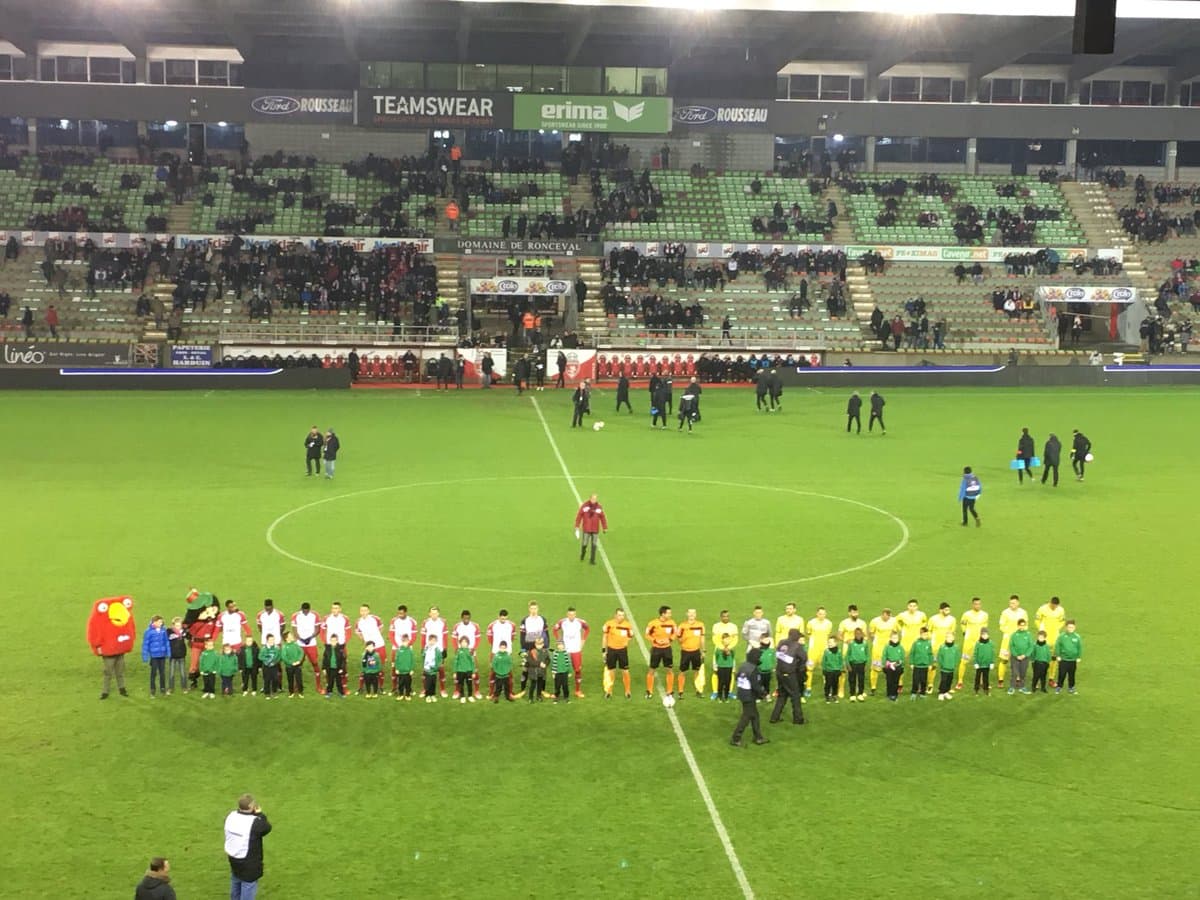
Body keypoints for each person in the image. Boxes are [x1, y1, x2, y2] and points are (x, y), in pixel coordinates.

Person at [224, 793, 271, 900]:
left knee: (236, 881)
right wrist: (259, 814)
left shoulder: (230, 816)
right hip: (249, 861)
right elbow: (266, 828)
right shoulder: (254, 823)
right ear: (250, 807)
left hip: (233, 858)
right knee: (248, 885)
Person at [730, 647, 769, 747]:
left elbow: (737, 677)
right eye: (759, 657)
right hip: (749, 696)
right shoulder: (754, 670)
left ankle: (758, 737)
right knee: (746, 717)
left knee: (755, 715)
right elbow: (756, 686)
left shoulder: (743, 665)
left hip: (742, 693)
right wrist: (764, 694)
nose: (760, 659)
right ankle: (736, 738)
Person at [769, 628, 806, 724]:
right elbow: (804, 658)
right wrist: (800, 669)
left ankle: (774, 717)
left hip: (779, 672)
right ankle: (798, 719)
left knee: (782, 694)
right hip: (789, 674)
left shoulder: (781, 642)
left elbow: (778, 655)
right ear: (796, 636)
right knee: (795, 696)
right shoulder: (797, 646)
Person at [554, 607, 590, 698]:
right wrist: (559, 641)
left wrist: (583, 640)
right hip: (565, 650)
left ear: (575, 614)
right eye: (570, 614)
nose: (571, 616)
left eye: (573, 614)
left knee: (577, 670)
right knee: (562, 670)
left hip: (576, 649)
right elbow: (554, 630)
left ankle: (578, 690)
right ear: (567, 615)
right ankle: (559, 691)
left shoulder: (580, 622)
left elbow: (587, 629)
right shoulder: (562, 622)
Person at [645, 605, 678, 699]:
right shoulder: (653, 623)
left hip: (667, 649)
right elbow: (647, 634)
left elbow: (675, 633)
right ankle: (649, 691)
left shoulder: (672, 623)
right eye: (669, 613)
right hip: (656, 649)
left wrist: (670, 640)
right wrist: (655, 641)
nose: (670, 615)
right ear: (663, 614)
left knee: (669, 669)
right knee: (652, 669)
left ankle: (670, 691)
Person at [601, 607, 634, 700]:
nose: (621, 617)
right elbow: (604, 637)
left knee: (625, 671)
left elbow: (631, 636)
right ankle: (609, 691)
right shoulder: (609, 624)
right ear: (615, 615)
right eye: (619, 615)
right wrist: (604, 650)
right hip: (611, 650)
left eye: (623, 615)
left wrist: (625, 642)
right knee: (611, 671)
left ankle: (627, 690)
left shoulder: (627, 625)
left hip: (622, 651)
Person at [956, 597, 989, 691]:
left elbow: (985, 626)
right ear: (972, 604)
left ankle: (982, 681)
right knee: (964, 660)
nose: (977, 606)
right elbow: (962, 624)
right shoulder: (967, 614)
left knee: (982, 661)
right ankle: (960, 681)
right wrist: (964, 632)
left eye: (979, 604)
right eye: (975, 604)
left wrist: (984, 636)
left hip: (980, 642)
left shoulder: (985, 615)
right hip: (969, 641)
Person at [996, 595, 1028, 688]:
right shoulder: (1005, 612)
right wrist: (1009, 633)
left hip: (1019, 640)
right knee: (1004, 659)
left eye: (1013, 603)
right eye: (1010, 603)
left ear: (1018, 603)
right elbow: (1001, 625)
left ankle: (1018, 679)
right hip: (1007, 640)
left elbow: (1025, 626)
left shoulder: (1023, 613)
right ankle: (1000, 679)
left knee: (1018, 660)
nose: (1011, 605)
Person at [1036, 596, 1067, 687]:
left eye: (1055, 606)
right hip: (1044, 636)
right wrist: (1041, 629)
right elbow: (1037, 620)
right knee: (1041, 658)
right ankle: (1038, 679)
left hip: (1055, 637)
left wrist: (1057, 628)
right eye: (1053, 606)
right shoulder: (1042, 609)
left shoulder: (1061, 610)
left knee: (1054, 658)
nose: (1054, 607)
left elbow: (1062, 621)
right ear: (1050, 603)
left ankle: (1051, 678)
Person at [290, 602, 323, 687]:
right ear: (301, 609)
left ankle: (318, 685)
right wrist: (300, 639)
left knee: (315, 663)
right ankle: (296, 685)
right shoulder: (295, 616)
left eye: (307, 611)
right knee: (298, 664)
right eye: (304, 610)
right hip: (300, 644)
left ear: (309, 609)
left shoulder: (315, 615)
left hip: (311, 643)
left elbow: (317, 629)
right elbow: (294, 629)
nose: (305, 612)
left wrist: (310, 637)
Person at [868, 608, 898, 695]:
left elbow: (894, 632)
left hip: (889, 648)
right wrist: (875, 642)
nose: (886, 618)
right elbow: (871, 633)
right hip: (878, 648)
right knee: (876, 667)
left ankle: (892, 686)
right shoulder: (874, 621)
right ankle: (873, 687)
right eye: (885, 616)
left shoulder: (893, 621)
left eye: (888, 616)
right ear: (882, 614)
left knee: (891, 667)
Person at [804, 607, 833, 697]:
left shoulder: (828, 623)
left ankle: (827, 686)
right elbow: (808, 633)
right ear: (817, 614)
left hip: (824, 649)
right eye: (820, 614)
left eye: (823, 614)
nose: (822, 616)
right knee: (809, 668)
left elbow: (828, 634)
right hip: (813, 649)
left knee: (825, 668)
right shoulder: (811, 623)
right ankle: (808, 688)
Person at [710, 609, 739, 697]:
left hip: (731, 651)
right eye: (724, 616)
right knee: (716, 671)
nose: (726, 618)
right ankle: (715, 691)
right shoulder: (716, 626)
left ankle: (729, 691)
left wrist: (729, 648)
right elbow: (715, 639)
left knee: (731, 671)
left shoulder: (733, 626)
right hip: (719, 650)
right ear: (721, 617)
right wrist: (723, 648)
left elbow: (735, 639)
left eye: (727, 616)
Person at [574, 493, 608, 565]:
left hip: (595, 529)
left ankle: (592, 560)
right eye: (593, 499)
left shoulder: (599, 507)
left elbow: (602, 517)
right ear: (590, 498)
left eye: (595, 499)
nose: (594, 500)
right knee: (585, 543)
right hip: (587, 528)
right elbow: (579, 515)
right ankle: (583, 554)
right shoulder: (585, 506)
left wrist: (604, 527)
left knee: (594, 544)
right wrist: (577, 525)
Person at [141, 615, 170, 698]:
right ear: (154, 622)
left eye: (162, 622)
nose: (161, 623)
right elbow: (145, 644)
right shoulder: (149, 631)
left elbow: (166, 642)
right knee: (153, 673)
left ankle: (163, 689)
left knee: (162, 673)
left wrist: (168, 652)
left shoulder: (163, 630)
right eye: (160, 622)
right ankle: (152, 690)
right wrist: (145, 656)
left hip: (162, 655)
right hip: (154, 656)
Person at [1054, 620, 1082, 694]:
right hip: (1063, 659)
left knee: (1072, 675)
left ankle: (1071, 687)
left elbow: (1079, 647)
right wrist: (1058, 655)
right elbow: (1057, 646)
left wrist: (1079, 657)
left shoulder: (1077, 637)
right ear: (1066, 627)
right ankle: (1059, 687)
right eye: (1069, 627)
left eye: (1072, 627)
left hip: (1073, 660)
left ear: (1075, 627)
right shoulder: (1062, 636)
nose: (1070, 628)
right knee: (1062, 674)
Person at [845, 627, 869, 701]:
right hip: (853, 664)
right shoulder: (851, 643)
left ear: (862, 634)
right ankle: (852, 694)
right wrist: (848, 664)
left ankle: (860, 694)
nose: (858, 635)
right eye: (856, 634)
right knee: (852, 679)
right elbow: (847, 655)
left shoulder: (865, 643)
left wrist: (866, 664)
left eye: (859, 634)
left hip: (862, 664)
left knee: (861, 679)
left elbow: (867, 655)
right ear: (854, 635)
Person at [909, 628, 933, 699]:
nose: (925, 636)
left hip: (925, 665)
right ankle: (914, 692)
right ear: (920, 634)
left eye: (926, 634)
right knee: (915, 680)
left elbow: (930, 654)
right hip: (917, 665)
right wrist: (911, 663)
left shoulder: (928, 643)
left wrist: (930, 664)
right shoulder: (916, 643)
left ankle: (922, 692)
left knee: (923, 680)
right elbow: (912, 653)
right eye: (924, 634)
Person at [524, 636, 549, 702]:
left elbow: (548, 659)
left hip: (541, 671)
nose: (539, 646)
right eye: (537, 644)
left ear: (543, 644)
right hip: (533, 672)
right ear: (535, 644)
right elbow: (530, 661)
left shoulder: (545, 651)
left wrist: (546, 664)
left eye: (540, 644)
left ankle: (539, 696)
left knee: (540, 685)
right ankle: (530, 697)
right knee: (533, 685)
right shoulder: (531, 651)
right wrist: (539, 664)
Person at [167, 616, 188, 694]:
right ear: (173, 625)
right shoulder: (169, 632)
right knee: (171, 673)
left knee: (183, 673)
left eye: (179, 625)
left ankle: (184, 687)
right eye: (176, 625)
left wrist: (185, 631)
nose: (178, 627)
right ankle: (170, 688)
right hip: (173, 655)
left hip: (181, 655)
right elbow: (168, 636)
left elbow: (188, 635)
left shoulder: (183, 632)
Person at [936, 634, 960, 700]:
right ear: (945, 638)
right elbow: (939, 657)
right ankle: (941, 693)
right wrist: (942, 664)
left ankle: (946, 692)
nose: (949, 638)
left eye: (951, 637)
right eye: (948, 637)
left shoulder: (956, 647)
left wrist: (955, 664)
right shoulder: (942, 647)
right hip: (944, 668)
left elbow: (957, 657)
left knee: (949, 680)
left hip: (951, 668)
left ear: (953, 638)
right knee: (943, 680)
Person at [881, 632, 905, 701]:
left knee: (896, 681)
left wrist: (901, 666)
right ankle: (889, 694)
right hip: (889, 666)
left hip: (897, 666)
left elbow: (902, 658)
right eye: (893, 638)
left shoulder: (900, 647)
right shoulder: (887, 647)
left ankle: (894, 694)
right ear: (890, 638)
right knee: (889, 681)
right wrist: (884, 665)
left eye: (896, 638)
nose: (895, 639)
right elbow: (884, 656)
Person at [281, 631, 305, 697]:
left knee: (299, 679)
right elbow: (284, 657)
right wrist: (291, 663)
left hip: (297, 665)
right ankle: (291, 692)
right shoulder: (284, 647)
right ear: (287, 638)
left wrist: (299, 661)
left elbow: (301, 652)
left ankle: (300, 692)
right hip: (289, 667)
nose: (292, 636)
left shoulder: (295, 644)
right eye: (290, 635)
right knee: (290, 680)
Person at [820, 637, 844, 703]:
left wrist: (840, 668)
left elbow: (841, 660)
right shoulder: (826, 651)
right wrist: (824, 670)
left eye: (831, 642)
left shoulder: (839, 651)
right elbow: (824, 661)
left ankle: (834, 695)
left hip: (836, 671)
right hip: (829, 671)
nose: (829, 644)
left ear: (835, 643)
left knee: (835, 684)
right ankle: (827, 695)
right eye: (828, 642)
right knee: (828, 684)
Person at [452, 637, 476, 703]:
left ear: (468, 643)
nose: (464, 643)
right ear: (460, 643)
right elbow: (455, 662)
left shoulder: (470, 651)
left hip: (469, 671)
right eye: (462, 642)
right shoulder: (458, 651)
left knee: (469, 684)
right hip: (460, 671)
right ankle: (462, 696)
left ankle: (470, 696)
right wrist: (454, 672)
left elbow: (472, 662)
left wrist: (473, 672)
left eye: (465, 642)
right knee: (461, 684)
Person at [972, 628, 995, 694]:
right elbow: (975, 653)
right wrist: (975, 662)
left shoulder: (991, 643)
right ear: (981, 635)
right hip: (979, 664)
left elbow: (992, 653)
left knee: (986, 677)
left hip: (987, 664)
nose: (985, 636)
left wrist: (992, 662)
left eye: (986, 635)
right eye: (983, 635)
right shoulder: (978, 643)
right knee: (977, 677)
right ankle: (976, 688)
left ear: (988, 635)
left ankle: (986, 688)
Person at [259, 634, 282, 699]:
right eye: (270, 640)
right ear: (267, 640)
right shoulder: (264, 648)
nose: (272, 641)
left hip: (274, 666)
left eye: (273, 639)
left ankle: (274, 692)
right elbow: (260, 657)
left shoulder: (277, 648)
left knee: (275, 679)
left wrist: (274, 662)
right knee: (267, 679)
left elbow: (279, 657)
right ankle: (267, 693)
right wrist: (267, 660)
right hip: (266, 666)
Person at [392, 635, 415, 701]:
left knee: (408, 684)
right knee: (400, 684)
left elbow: (412, 661)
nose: (405, 643)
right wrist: (396, 669)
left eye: (406, 641)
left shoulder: (410, 651)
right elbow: (396, 660)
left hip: (408, 672)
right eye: (403, 641)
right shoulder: (399, 650)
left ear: (408, 641)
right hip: (400, 671)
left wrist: (411, 669)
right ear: (401, 642)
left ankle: (407, 695)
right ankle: (401, 694)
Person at [713, 636, 736, 702]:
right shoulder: (718, 648)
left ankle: (726, 697)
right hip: (721, 667)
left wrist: (733, 667)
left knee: (727, 682)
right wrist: (716, 666)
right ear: (722, 640)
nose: (727, 641)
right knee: (721, 682)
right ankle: (719, 696)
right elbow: (716, 657)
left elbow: (733, 657)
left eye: (728, 639)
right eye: (725, 639)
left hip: (729, 667)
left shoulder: (732, 649)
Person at [421, 636, 444, 702]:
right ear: (428, 641)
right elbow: (423, 656)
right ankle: (427, 695)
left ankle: (432, 695)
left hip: (434, 669)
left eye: (434, 641)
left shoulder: (437, 649)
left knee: (433, 683)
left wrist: (437, 667)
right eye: (431, 640)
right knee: (427, 683)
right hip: (427, 669)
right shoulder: (426, 648)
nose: (432, 642)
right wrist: (424, 665)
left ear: (436, 641)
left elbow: (440, 659)